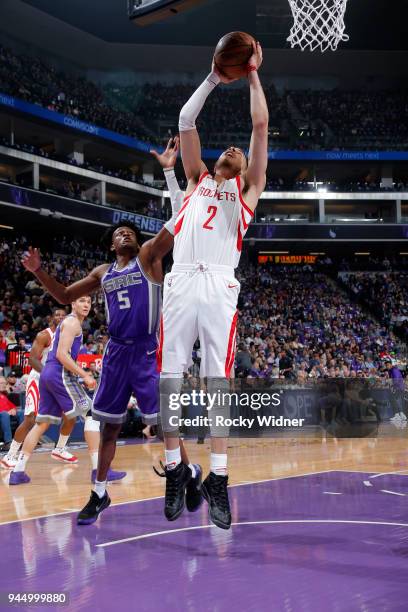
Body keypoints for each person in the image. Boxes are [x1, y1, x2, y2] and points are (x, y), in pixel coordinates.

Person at [21, 138, 201, 524]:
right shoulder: (103, 273)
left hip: (146, 351)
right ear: (111, 243)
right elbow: (66, 294)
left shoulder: (151, 257)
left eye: (129, 231)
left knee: (163, 423)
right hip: (116, 354)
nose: (124, 233)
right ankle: (99, 493)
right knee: (108, 430)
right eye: (118, 232)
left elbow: (182, 217)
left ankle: (188, 472)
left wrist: (170, 171)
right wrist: (38, 271)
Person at [158, 41, 268, 529]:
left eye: (238, 151)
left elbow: (260, 126)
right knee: (170, 381)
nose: (233, 148)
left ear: (244, 172)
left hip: (221, 287)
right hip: (181, 282)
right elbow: (186, 122)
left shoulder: (245, 197)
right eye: (230, 147)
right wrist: (211, 78)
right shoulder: (198, 179)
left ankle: (219, 478)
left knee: (218, 383)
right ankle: (177, 470)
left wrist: (251, 76)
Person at [9, 296, 96, 485]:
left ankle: (18, 471)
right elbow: (61, 355)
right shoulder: (72, 323)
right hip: (57, 373)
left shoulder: (66, 325)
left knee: (42, 424)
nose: (86, 305)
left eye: (89, 302)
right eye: (81, 301)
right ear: (72, 304)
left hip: (48, 374)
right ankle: (99, 470)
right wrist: (86, 375)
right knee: (92, 412)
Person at [0, 308, 80, 468]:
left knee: (71, 415)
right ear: (52, 318)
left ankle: (60, 448)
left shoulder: (69, 336)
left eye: (64, 315)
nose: (60, 317)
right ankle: (10, 456)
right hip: (39, 380)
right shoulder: (44, 335)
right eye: (57, 314)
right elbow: (31, 360)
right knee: (31, 419)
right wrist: (48, 374)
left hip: (57, 381)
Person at [0, 376, 24, 451]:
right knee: (4, 414)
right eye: (1, 383)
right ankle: (8, 442)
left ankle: (21, 440)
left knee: (21, 412)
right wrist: (7, 412)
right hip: (3, 415)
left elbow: (13, 407)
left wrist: (13, 410)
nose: (4, 385)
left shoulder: (3, 396)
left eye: (5, 383)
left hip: (7, 416)